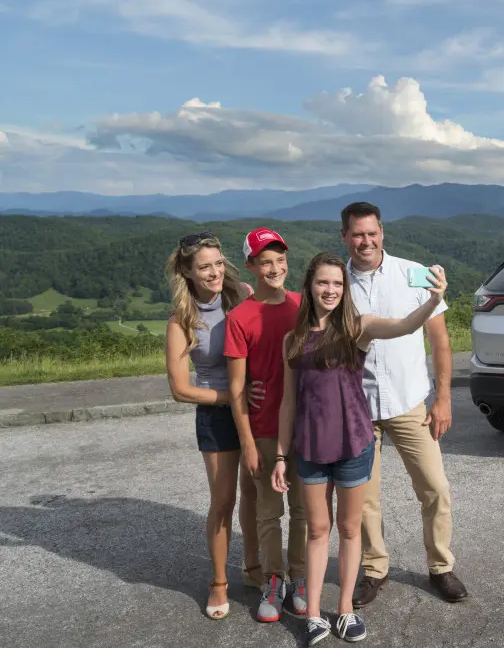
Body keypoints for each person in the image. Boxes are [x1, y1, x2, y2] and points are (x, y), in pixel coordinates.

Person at [271, 252, 448, 645]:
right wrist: (281, 456)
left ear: (344, 288)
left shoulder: (357, 327)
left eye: (337, 283)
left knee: (351, 529)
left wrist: (433, 302)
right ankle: (315, 614)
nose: (331, 289)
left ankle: (346, 609)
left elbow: (404, 326)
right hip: (312, 448)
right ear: (310, 286)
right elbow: (288, 403)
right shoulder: (292, 340)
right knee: (317, 530)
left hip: (354, 444)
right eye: (323, 282)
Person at [339, 202, 469, 607]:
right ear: (344, 236)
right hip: (357, 407)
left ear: (383, 233)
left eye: (371, 233)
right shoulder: (333, 282)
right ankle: (375, 570)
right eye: (357, 234)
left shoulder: (414, 274)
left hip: (410, 400)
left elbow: (440, 340)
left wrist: (443, 398)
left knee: (435, 488)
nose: (365, 241)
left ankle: (440, 567)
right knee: (364, 499)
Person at [163, 230, 265, 620]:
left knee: (255, 492)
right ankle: (219, 582)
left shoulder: (240, 293)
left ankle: (254, 568)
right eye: (204, 267)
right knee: (223, 501)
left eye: (218, 263)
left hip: (255, 406)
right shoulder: (182, 321)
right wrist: (230, 398)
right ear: (187, 272)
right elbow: (180, 389)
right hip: (217, 411)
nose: (214, 272)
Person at [224, 227, 308, 622]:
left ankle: (300, 577)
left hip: (306, 427)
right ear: (251, 266)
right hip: (264, 427)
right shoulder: (240, 317)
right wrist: (248, 445)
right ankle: (273, 580)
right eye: (265, 261)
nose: (275, 268)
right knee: (269, 510)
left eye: (280, 260)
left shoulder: (301, 304)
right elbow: (238, 390)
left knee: (304, 508)